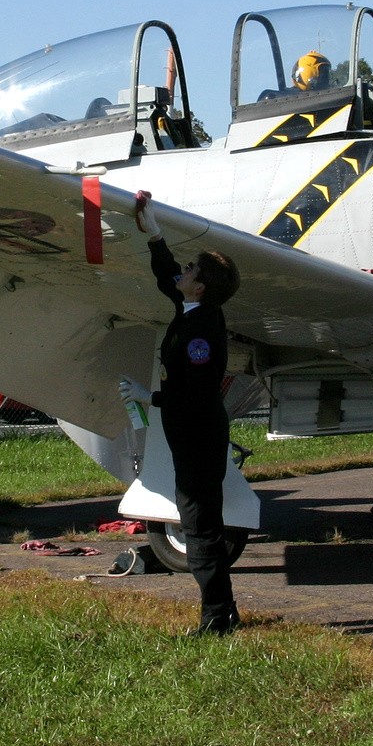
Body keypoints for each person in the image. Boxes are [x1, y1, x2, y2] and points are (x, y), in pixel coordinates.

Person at [119, 192, 243, 636]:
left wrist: (147, 396)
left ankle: (216, 618)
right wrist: (153, 231)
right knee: (200, 521)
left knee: (198, 526)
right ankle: (224, 610)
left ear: (201, 287)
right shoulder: (192, 308)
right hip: (191, 432)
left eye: (191, 270)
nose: (183, 272)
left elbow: (195, 393)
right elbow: (166, 274)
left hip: (197, 432)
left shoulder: (202, 330)